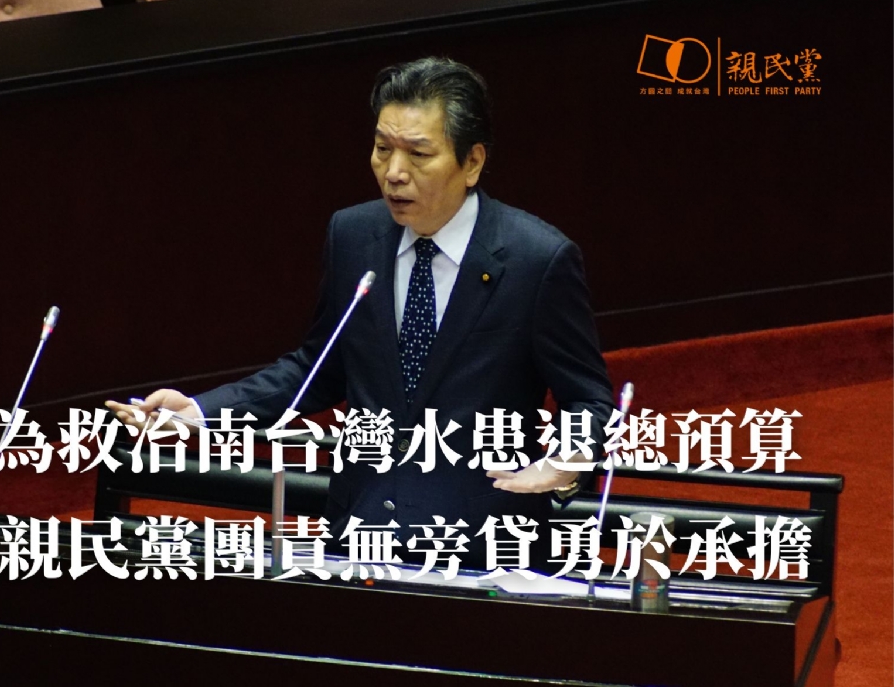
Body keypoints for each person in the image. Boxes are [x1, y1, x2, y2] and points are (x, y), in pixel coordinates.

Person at [108, 57, 614, 570]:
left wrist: (565, 462)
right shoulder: (353, 236)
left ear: (472, 163)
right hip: (359, 534)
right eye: (382, 149)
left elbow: (588, 399)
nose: (394, 173)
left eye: (418, 154)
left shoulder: (536, 260)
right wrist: (200, 412)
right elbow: (318, 367)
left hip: (483, 546)